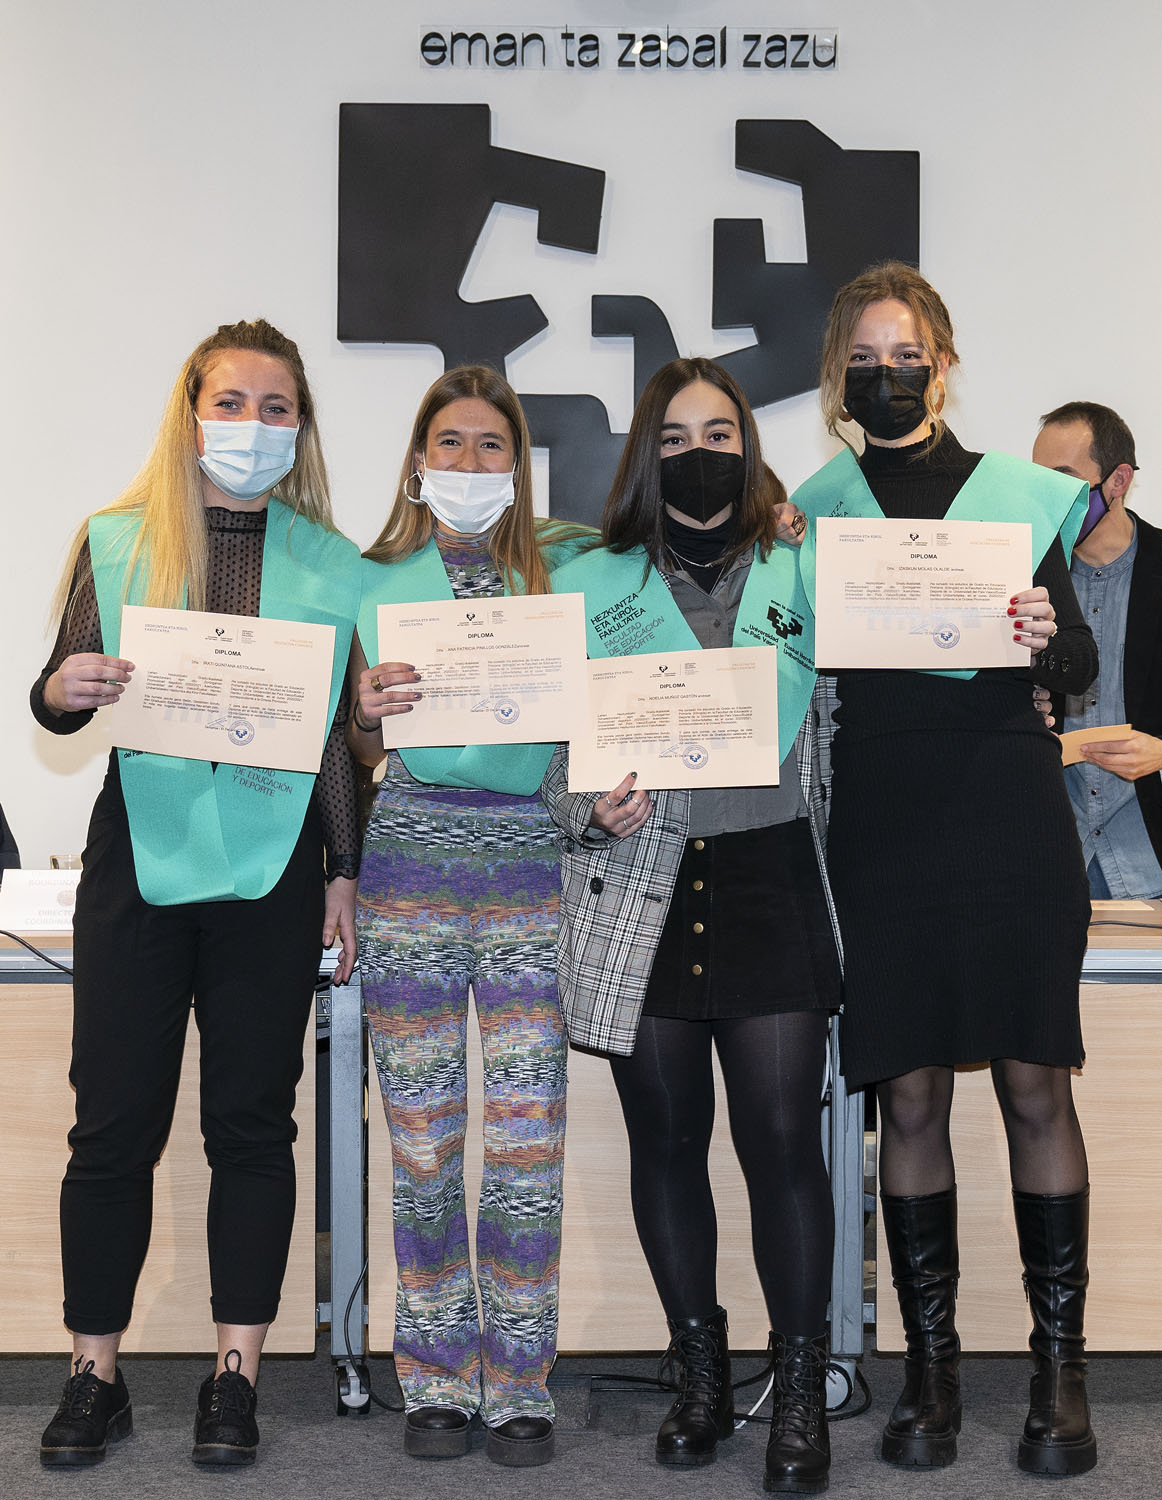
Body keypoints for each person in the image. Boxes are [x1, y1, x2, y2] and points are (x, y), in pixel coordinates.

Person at [30, 320, 361, 1468]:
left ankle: (235, 1376)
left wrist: (345, 871)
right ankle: (94, 1374)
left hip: (273, 868)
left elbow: (334, 736)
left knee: (251, 1125)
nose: (252, 426)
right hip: (142, 854)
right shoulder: (116, 539)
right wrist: (61, 690)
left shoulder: (330, 562)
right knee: (111, 1125)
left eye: (276, 408)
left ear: (300, 428)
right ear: (190, 412)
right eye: (231, 402)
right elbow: (62, 695)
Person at [792, 263, 1099, 1477]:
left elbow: (1074, 664)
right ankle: (931, 1370)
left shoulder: (1016, 497)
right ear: (838, 371)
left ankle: (1059, 1370)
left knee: (1035, 1085)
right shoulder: (810, 512)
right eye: (865, 358)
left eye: (907, 354)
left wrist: (1043, 635)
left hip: (1005, 808)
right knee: (910, 1099)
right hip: (881, 819)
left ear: (943, 361)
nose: (888, 375)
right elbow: (785, 659)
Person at [546, 357, 842, 1495]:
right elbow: (550, 756)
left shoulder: (804, 563)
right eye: (673, 439)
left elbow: (863, 711)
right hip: (647, 888)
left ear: (748, 448)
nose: (698, 454)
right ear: (645, 456)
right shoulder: (592, 580)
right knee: (666, 1145)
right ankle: (702, 1373)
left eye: (719, 434)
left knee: (782, 1146)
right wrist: (587, 807)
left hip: (773, 877)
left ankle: (799, 1389)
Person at [348, 365, 590, 1468]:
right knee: (424, 1139)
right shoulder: (369, 582)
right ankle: (437, 1372)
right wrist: (363, 713)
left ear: (518, 467)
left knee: (529, 1138)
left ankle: (522, 1380)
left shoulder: (567, 573)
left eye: (493, 445)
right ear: (417, 460)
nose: (470, 463)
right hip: (409, 867)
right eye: (450, 443)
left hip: (530, 866)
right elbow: (359, 748)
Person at [1030, 403, 1162, 898]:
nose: (1046, 498)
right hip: (1051, 860)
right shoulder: (1022, 581)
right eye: (1037, 482)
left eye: (1062, 482)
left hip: (1150, 857)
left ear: (1118, 480)